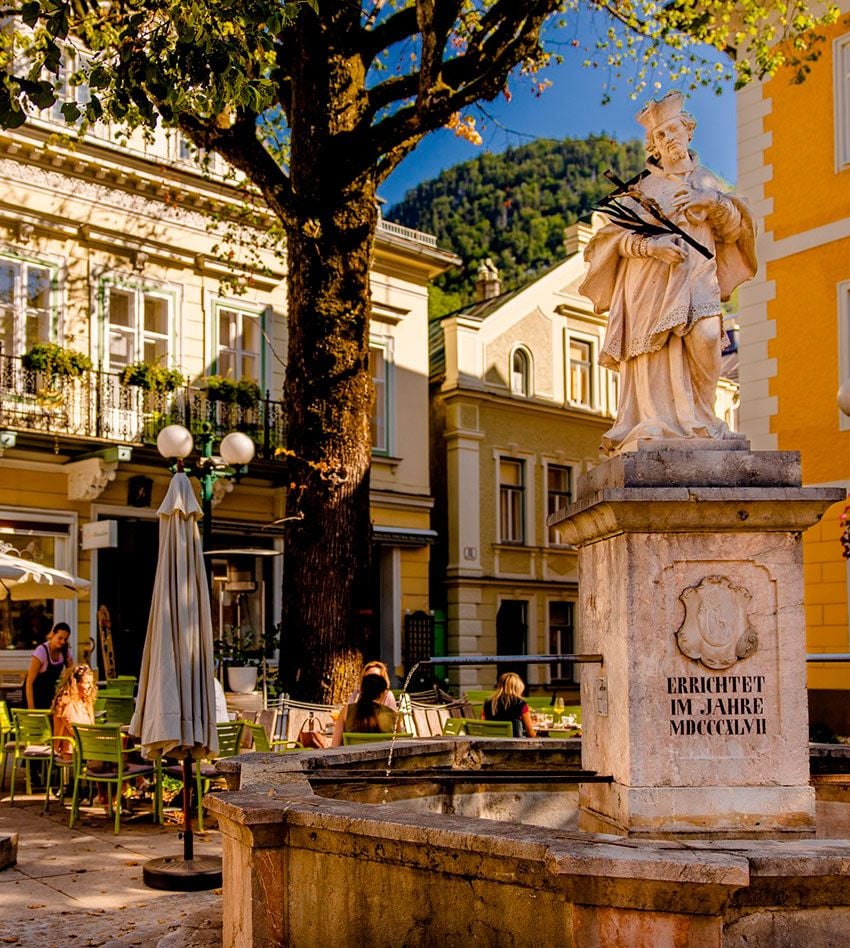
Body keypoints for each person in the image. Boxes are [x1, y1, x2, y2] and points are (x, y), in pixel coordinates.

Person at [579, 90, 756, 456]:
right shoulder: (642, 189)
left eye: (675, 129)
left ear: (688, 131)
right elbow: (612, 240)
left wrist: (713, 203)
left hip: (699, 278)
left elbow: (735, 231)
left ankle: (704, 419)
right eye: (661, 135)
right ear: (654, 146)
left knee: (707, 339)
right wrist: (651, 247)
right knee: (657, 355)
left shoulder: (707, 180)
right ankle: (658, 419)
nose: (670, 138)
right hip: (652, 287)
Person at [331, 672, 399, 747]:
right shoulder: (393, 716)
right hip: (383, 758)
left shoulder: (347, 711)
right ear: (382, 693)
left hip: (353, 758)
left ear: (361, 690)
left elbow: (335, 746)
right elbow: (401, 746)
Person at [52, 664, 97, 760]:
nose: (91, 686)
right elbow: (77, 731)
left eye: (92, 682)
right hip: (72, 751)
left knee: (123, 742)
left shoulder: (85, 701)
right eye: (87, 683)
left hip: (86, 746)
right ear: (75, 684)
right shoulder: (67, 703)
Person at [26, 621, 74, 709]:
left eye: (65, 639)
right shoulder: (41, 652)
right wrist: (31, 709)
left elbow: (72, 676)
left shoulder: (65, 652)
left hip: (49, 695)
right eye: (60, 638)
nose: (62, 642)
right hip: (33, 695)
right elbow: (29, 683)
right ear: (53, 635)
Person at [483, 672, 536, 738]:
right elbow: (530, 733)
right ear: (518, 687)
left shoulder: (488, 703)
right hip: (515, 744)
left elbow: (483, 724)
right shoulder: (521, 703)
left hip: (491, 743)